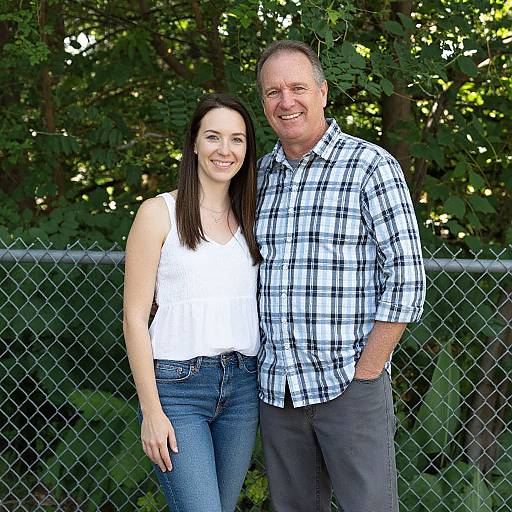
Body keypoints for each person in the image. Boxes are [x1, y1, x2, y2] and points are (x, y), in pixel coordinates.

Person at [255, 40, 426, 512]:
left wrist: (366, 373)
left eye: (297, 87)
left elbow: (407, 280)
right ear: (263, 102)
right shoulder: (258, 176)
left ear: (323, 92)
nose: (286, 101)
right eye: (273, 92)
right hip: (277, 390)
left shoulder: (370, 167)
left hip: (348, 387)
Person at [123, 94, 261, 512]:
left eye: (237, 139)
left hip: (242, 387)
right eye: (214, 137)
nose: (225, 149)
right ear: (195, 144)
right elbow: (133, 316)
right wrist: (151, 410)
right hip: (179, 391)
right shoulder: (158, 213)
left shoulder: (254, 216)